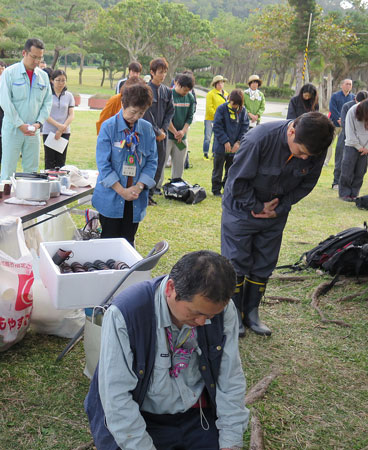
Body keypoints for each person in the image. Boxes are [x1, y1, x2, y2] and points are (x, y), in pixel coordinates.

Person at [85, 250, 249, 450]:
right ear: (170, 288)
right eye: (196, 313)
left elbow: (230, 379)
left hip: (196, 416)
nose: (202, 322)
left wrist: (230, 442)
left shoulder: (221, 311)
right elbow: (117, 398)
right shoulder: (126, 314)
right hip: (141, 417)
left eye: (210, 316)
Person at [221, 112, 335, 337]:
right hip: (241, 210)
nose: (305, 158)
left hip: (275, 213)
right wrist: (257, 206)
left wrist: (280, 207)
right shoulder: (259, 139)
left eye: (309, 155)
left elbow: (306, 185)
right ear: (291, 131)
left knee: (265, 261)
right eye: (301, 151)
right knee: (236, 261)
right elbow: (236, 182)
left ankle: (251, 312)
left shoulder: (315, 147)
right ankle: (232, 314)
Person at [91, 82, 157, 247]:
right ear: (123, 105)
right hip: (111, 197)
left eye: (141, 113)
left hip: (135, 197)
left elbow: (152, 161)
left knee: (128, 242)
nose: (136, 117)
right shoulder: (109, 127)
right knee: (108, 243)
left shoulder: (147, 130)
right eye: (133, 112)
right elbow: (103, 164)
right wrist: (121, 191)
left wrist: (139, 186)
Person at [0, 38, 52, 179]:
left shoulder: (44, 77)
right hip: (13, 128)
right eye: (33, 57)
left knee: (31, 170)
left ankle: (29, 199)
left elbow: (47, 102)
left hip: (33, 130)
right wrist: (19, 124)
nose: (36, 62)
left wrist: (39, 123)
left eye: (39, 58)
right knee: (8, 168)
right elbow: (5, 101)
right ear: (24, 53)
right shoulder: (10, 73)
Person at [142, 57, 174, 205]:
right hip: (148, 135)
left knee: (159, 165)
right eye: (160, 72)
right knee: (146, 164)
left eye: (165, 72)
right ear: (152, 72)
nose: (163, 75)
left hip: (162, 135)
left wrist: (163, 129)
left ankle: (150, 193)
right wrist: (156, 131)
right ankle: (142, 194)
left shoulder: (167, 91)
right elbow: (146, 113)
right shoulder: (145, 91)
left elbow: (170, 112)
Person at [211, 89, 249, 197]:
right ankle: (216, 189)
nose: (235, 106)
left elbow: (245, 128)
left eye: (237, 104)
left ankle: (227, 188)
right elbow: (217, 126)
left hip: (234, 148)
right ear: (229, 99)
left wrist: (238, 142)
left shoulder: (243, 111)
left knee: (231, 169)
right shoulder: (221, 109)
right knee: (217, 169)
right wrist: (225, 141)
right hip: (220, 146)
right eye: (233, 103)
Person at [333, 90, 368, 190]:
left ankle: (353, 189)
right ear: (356, 100)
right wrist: (356, 144)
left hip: (363, 144)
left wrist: (365, 147)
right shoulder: (348, 107)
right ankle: (336, 182)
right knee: (341, 162)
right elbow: (344, 123)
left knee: (360, 169)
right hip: (347, 137)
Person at [42, 69, 75, 169]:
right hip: (49, 132)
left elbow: (71, 114)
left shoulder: (69, 96)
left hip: (65, 131)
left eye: (63, 80)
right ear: (52, 80)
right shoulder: (46, 94)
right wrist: (58, 126)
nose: (61, 83)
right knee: (49, 161)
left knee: (61, 162)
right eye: (58, 80)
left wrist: (62, 128)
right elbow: (45, 114)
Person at [166, 73, 196, 180]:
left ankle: (176, 182)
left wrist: (183, 132)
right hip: (168, 136)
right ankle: (156, 187)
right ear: (177, 84)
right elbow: (166, 117)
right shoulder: (169, 95)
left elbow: (190, 117)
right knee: (162, 162)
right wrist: (174, 132)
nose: (186, 92)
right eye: (184, 90)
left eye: (188, 90)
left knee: (179, 162)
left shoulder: (190, 97)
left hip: (181, 138)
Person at [339, 98, 368, 201]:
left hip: (365, 149)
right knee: (347, 170)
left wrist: (366, 148)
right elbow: (349, 131)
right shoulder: (353, 110)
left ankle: (354, 193)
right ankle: (345, 194)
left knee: (360, 172)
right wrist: (359, 147)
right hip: (351, 146)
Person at [327, 79, 354, 167]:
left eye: (350, 84)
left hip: (345, 126)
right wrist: (340, 119)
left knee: (342, 146)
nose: (348, 86)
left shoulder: (353, 97)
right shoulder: (335, 96)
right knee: (329, 143)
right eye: (347, 84)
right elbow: (332, 108)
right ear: (342, 85)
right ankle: (325, 162)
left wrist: (344, 121)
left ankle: (340, 162)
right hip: (334, 124)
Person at [203, 75, 228, 159]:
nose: (221, 84)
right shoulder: (211, 94)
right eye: (219, 83)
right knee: (208, 137)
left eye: (222, 82)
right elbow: (209, 108)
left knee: (217, 137)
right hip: (210, 119)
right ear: (215, 84)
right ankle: (205, 153)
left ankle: (214, 153)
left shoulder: (226, 94)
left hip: (221, 120)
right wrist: (217, 116)